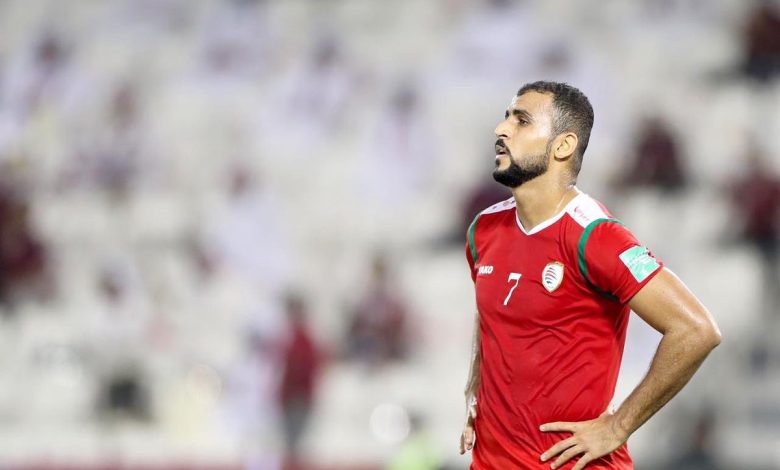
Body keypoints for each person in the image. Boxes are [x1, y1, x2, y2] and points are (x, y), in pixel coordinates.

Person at [458, 81, 721, 469]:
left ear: (563, 146)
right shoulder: (484, 229)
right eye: (506, 116)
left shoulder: (594, 237)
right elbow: (491, 313)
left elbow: (697, 330)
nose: (501, 129)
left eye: (522, 120)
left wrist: (617, 427)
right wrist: (473, 388)